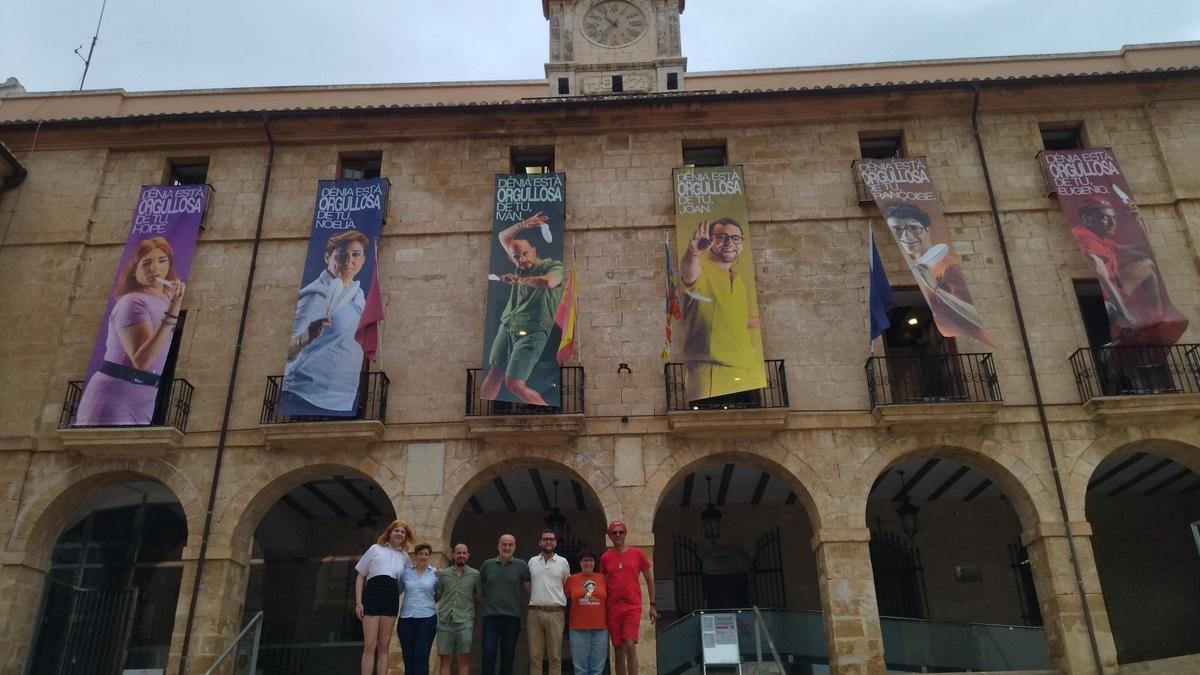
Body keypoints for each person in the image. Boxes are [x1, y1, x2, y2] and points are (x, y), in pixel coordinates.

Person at [75, 236, 185, 426]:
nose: (154, 269)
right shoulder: (133, 302)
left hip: (144, 397)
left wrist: (173, 303)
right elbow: (142, 361)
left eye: (161, 260)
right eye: (146, 263)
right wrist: (174, 310)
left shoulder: (164, 299)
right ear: (134, 270)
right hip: (114, 396)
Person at [282, 229, 370, 415]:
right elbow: (289, 349)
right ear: (327, 257)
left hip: (343, 401)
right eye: (341, 255)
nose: (349, 261)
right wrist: (303, 339)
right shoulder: (317, 294)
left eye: (356, 254)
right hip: (307, 397)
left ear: (363, 259)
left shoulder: (358, 295)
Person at [678, 217, 766, 403]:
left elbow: (731, 318)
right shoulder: (701, 268)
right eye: (722, 237)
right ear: (709, 241)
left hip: (748, 376)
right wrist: (693, 252)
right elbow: (688, 273)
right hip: (713, 377)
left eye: (736, 238)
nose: (729, 243)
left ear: (741, 244)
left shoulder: (737, 279)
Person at [480, 213, 564, 406]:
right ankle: (484, 412)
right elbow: (503, 237)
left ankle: (546, 415)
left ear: (533, 250)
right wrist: (524, 224)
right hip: (508, 324)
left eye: (525, 254)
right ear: (511, 260)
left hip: (533, 332)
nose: (522, 259)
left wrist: (518, 280)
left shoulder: (551, 265)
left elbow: (550, 282)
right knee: (494, 373)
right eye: (516, 257)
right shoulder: (519, 265)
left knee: (514, 384)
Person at [882, 203, 994, 346]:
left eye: (913, 228)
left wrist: (935, 287)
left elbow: (973, 315)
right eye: (897, 230)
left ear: (927, 230)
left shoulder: (948, 267)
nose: (907, 235)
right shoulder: (921, 265)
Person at [1071, 195, 1171, 343]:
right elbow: (1105, 282)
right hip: (1109, 301)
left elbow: (1146, 252)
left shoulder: (1104, 241)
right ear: (1088, 218)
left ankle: (1157, 318)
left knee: (1147, 264)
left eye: (1114, 218)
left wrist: (1137, 223)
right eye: (1105, 218)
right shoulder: (1087, 242)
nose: (1113, 222)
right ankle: (1111, 341)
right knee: (1106, 307)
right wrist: (1128, 317)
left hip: (1117, 291)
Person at [354, 520, 413, 675]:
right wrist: (359, 603)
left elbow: (406, 582)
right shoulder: (375, 549)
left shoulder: (405, 557)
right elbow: (361, 575)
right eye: (397, 530)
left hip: (390, 598)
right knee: (370, 644)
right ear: (390, 533)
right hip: (372, 595)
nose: (399, 533)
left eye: (402, 532)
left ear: (405, 537)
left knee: (384, 646)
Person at [599, 520, 655, 675]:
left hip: (632, 605)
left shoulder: (637, 553)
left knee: (630, 644)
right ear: (610, 536)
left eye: (620, 532)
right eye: (614, 532)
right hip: (613, 607)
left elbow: (649, 579)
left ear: (625, 534)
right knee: (617, 649)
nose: (617, 535)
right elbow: (601, 583)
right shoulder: (605, 558)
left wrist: (652, 604)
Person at [480, 533, 531, 675]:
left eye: (510, 545)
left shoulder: (522, 566)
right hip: (491, 618)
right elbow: (479, 588)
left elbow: (529, 589)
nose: (507, 547)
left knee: (508, 657)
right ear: (498, 546)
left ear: (515, 547)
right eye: (504, 544)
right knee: (488, 654)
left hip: (512, 618)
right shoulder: (487, 565)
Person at [527, 529, 570, 675]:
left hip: (555, 614)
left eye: (551, 539)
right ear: (540, 542)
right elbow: (529, 586)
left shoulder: (563, 562)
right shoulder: (532, 562)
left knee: (555, 656)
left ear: (556, 543)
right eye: (545, 539)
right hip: (535, 613)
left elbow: (567, 587)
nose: (548, 542)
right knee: (535, 657)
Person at [435, 543, 481, 675]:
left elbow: (479, 595)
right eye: (458, 553)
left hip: (465, 621)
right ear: (453, 555)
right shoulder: (443, 574)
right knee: (445, 660)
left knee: (464, 659)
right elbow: (438, 594)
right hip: (445, 621)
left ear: (468, 555)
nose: (461, 555)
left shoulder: (475, 575)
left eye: (464, 553)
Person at [398, 543, 439, 675]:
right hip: (406, 619)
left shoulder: (436, 573)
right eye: (420, 554)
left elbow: (440, 593)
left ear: (429, 556)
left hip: (427, 619)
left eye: (426, 554)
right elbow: (397, 590)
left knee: (421, 657)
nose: (423, 556)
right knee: (408, 658)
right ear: (415, 556)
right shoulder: (406, 573)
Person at [566, 550, 608, 675]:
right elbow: (561, 597)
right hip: (578, 628)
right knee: (580, 669)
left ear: (595, 563)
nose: (588, 563)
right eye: (585, 560)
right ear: (580, 563)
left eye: (591, 560)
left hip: (600, 628)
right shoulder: (572, 579)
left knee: (597, 668)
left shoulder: (602, 578)